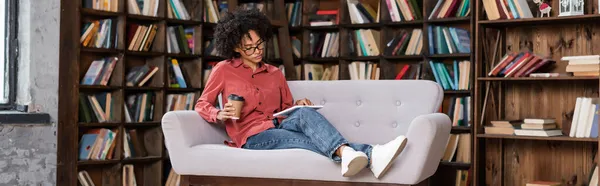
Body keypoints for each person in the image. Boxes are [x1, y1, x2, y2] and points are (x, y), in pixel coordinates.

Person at [194, 9, 408, 179]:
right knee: (308, 139)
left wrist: (299, 104)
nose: (257, 50)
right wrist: (219, 114)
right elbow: (202, 103)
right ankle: (370, 153)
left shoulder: (275, 73)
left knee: (304, 113)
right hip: (252, 137)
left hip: (277, 125)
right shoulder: (224, 70)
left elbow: (286, 110)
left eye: (260, 44)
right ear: (237, 49)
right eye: (249, 48)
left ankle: (351, 155)